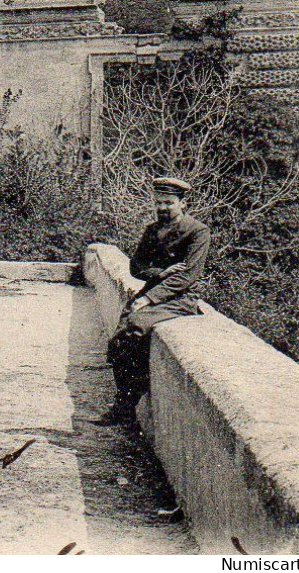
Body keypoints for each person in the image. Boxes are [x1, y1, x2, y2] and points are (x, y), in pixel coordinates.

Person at [92, 176, 212, 427]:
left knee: (134, 326)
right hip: (154, 292)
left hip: (179, 299)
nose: (163, 208)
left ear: (183, 203)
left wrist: (148, 297)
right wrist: (159, 273)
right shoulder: (152, 230)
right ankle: (126, 403)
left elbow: (187, 276)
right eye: (158, 202)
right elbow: (135, 267)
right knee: (119, 340)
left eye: (169, 202)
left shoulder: (197, 232)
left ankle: (125, 405)